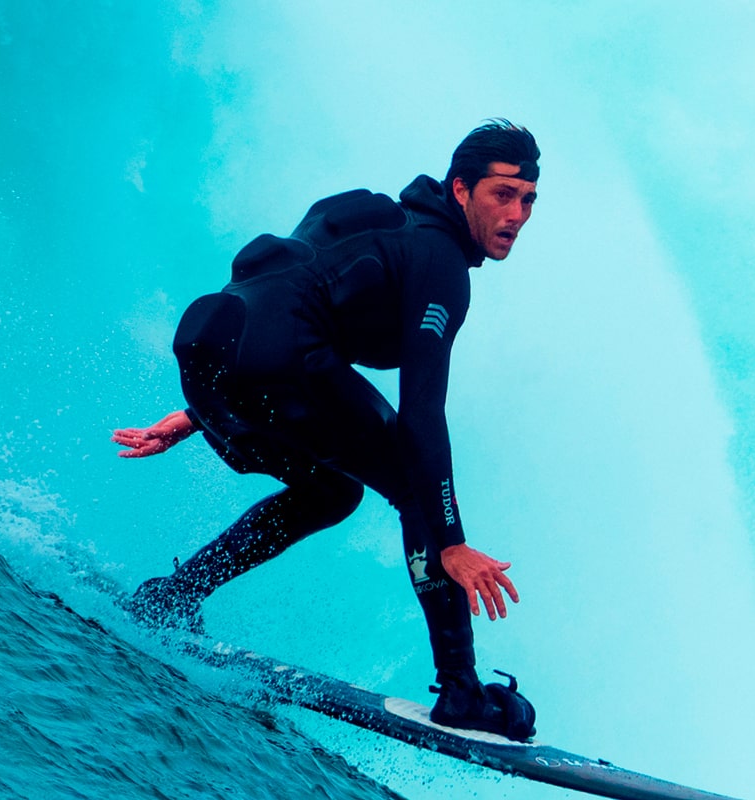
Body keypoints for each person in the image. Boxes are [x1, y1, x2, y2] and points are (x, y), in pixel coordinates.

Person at [112, 119, 540, 740]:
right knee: (414, 486)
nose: (518, 214)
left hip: (210, 353)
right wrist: (449, 541)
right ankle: (462, 692)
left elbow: (273, 295)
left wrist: (193, 416)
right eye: (503, 194)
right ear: (460, 190)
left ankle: (174, 596)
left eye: (529, 200)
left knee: (332, 492)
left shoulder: (374, 222)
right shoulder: (440, 262)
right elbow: (421, 412)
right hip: (275, 366)